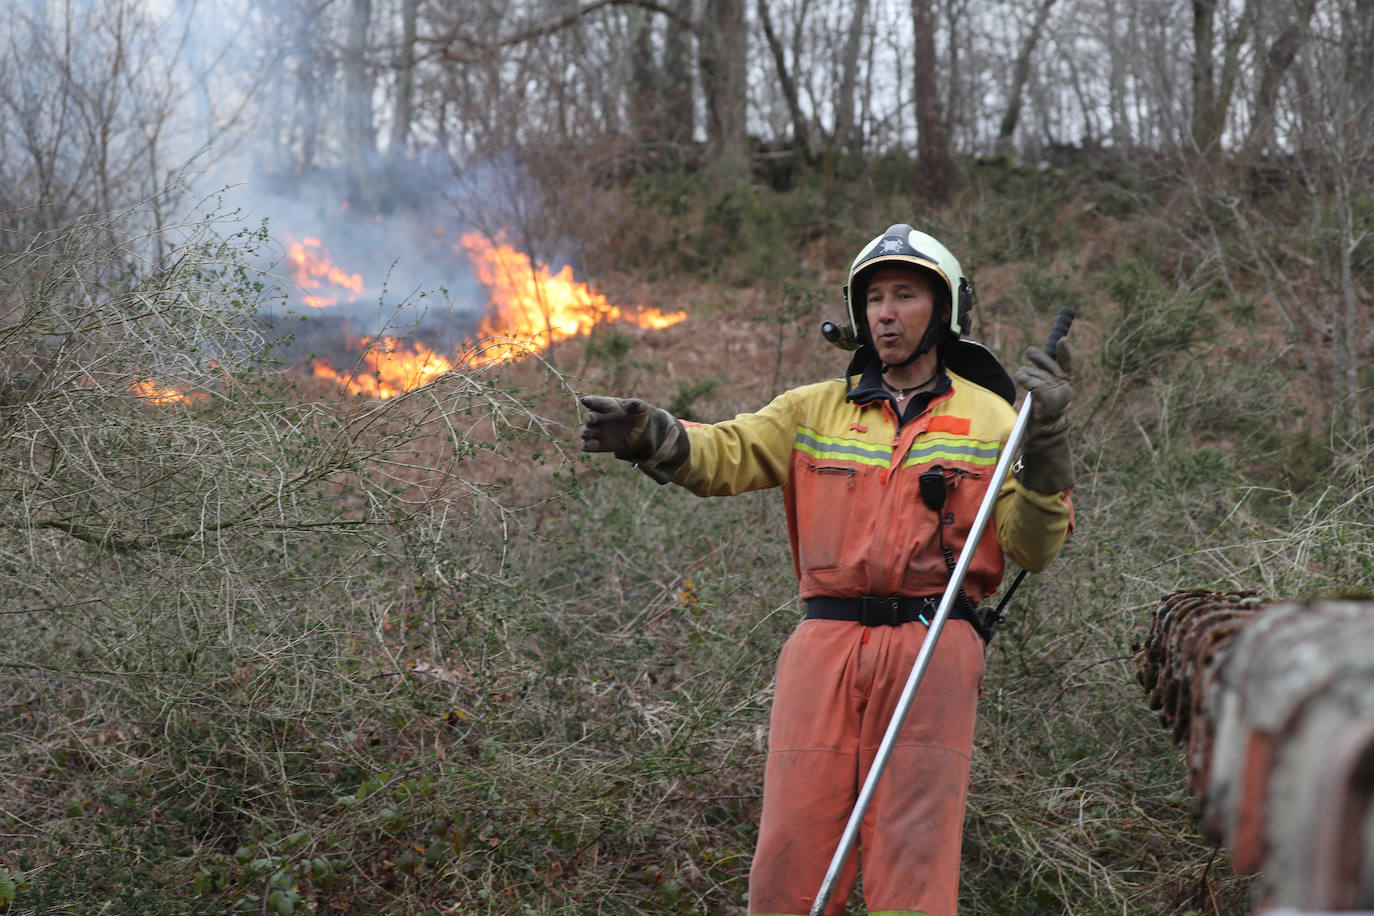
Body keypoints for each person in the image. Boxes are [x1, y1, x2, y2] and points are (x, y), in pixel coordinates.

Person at [578, 224, 1074, 916]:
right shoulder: (813, 410)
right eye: (873, 298)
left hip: (932, 650)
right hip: (824, 649)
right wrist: (657, 437)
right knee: (792, 853)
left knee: (914, 858)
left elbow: (1034, 547)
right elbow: (730, 450)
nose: (886, 313)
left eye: (905, 295)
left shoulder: (996, 421)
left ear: (946, 310)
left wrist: (1046, 447)